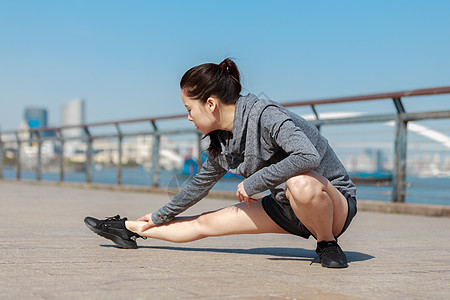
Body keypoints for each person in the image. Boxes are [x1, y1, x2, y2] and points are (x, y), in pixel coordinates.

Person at [84, 58, 357, 268]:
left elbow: (307, 156)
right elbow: (197, 187)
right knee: (203, 224)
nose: (189, 118)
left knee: (300, 183)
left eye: (189, 109)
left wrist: (255, 182)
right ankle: (126, 229)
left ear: (211, 104)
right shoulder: (222, 143)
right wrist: (157, 216)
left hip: (331, 205)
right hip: (287, 209)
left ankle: (327, 245)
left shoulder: (267, 115)